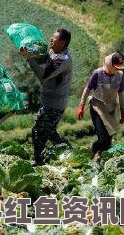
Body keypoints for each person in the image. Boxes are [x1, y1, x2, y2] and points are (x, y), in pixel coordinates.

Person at [21, 29, 73, 166]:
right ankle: (68, 154)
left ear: (62, 43)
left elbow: (43, 75)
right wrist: (31, 51)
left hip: (54, 104)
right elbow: (43, 58)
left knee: (38, 130)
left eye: (54, 38)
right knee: (48, 132)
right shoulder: (53, 52)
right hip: (50, 102)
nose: (51, 39)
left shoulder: (62, 59)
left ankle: (40, 161)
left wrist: (29, 58)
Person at [77, 52, 124, 163]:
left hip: (111, 108)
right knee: (102, 137)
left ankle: (101, 159)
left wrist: (123, 111)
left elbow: (121, 93)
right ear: (109, 65)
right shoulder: (98, 74)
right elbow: (87, 89)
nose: (117, 70)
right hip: (97, 107)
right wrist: (81, 105)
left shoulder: (120, 75)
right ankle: (94, 152)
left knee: (109, 139)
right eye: (115, 67)